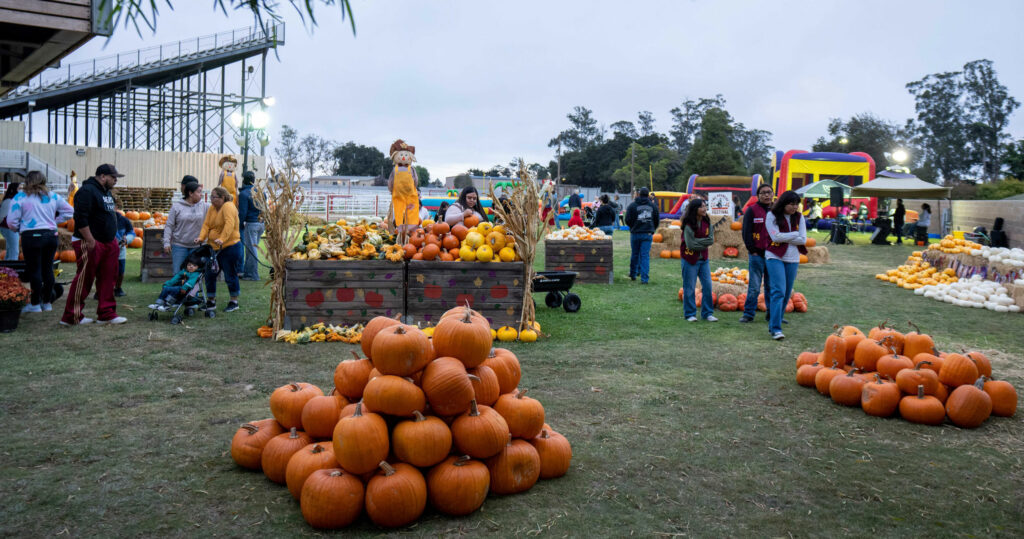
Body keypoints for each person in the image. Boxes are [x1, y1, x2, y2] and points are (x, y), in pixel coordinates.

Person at [61, 164, 126, 326]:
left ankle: (107, 313)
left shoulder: (106, 193)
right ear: (103, 176)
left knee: (108, 278)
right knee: (85, 279)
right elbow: (81, 217)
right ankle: (71, 316)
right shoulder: (87, 191)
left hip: (108, 242)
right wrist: (90, 240)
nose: (116, 180)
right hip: (90, 242)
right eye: (113, 177)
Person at [7, 171, 73, 313]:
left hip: (31, 237)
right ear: (43, 180)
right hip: (51, 235)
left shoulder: (20, 198)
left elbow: (11, 221)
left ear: (27, 181)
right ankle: (47, 302)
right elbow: (69, 211)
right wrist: (55, 221)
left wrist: (19, 229)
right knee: (48, 268)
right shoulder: (53, 196)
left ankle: (35, 304)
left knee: (34, 269)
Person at [765, 190, 807, 341]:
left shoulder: (799, 217)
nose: (794, 207)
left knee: (787, 292)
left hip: (793, 258)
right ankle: (776, 329)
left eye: (797, 204)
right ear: (784, 203)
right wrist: (794, 234)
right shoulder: (772, 216)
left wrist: (787, 237)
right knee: (779, 291)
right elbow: (774, 236)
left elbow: (803, 240)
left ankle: (774, 323)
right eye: (791, 204)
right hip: (774, 256)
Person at [196, 186, 242, 312]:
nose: (211, 199)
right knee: (210, 274)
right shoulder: (212, 208)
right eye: (211, 196)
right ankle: (211, 301)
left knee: (230, 274)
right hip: (214, 248)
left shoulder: (228, 206)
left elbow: (229, 224)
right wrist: (201, 237)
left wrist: (222, 238)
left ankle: (234, 301)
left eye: (214, 197)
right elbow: (206, 225)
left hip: (230, 246)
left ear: (222, 197)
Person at [740, 184, 774, 323]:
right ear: (758, 195)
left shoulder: (776, 210)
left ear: (773, 194)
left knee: (771, 286)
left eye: (769, 192)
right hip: (757, 255)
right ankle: (748, 314)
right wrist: (752, 250)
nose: (766, 195)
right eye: (763, 193)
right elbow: (746, 231)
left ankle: (772, 314)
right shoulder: (752, 210)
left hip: (773, 255)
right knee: (754, 286)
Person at [680, 198, 717, 322]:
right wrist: (704, 243)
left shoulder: (707, 222)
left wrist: (699, 242)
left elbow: (711, 240)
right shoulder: (688, 224)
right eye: (702, 207)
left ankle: (707, 313)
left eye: (705, 206)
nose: (704, 209)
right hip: (689, 258)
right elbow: (690, 245)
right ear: (695, 209)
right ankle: (690, 314)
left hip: (703, 259)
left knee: (707, 286)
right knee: (689, 287)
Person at [164, 178, 208, 272]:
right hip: (179, 245)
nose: (201, 194)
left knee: (195, 274)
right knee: (178, 273)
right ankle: (179, 287)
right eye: (199, 192)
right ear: (190, 193)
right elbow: (169, 225)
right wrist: (166, 242)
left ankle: (193, 288)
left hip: (197, 246)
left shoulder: (205, 206)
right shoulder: (177, 206)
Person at [624, 187, 660, 284]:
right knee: (645, 256)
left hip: (635, 233)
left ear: (639, 194)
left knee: (635, 254)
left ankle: (633, 274)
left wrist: (632, 227)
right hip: (647, 234)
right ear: (648, 195)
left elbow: (627, 219)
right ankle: (644, 279)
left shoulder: (632, 206)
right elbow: (657, 220)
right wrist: (652, 229)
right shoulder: (653, 207)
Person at [237, 171, 263, 281]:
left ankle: (252, 274)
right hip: (261, 223)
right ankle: (248, 273)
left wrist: (239, 224)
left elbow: (242, 212)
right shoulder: (261, 192)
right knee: (252, 248)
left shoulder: (244, 194)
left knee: (251, 250)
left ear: (243, 179)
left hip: (251, 223)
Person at [112, 202, 135, 297]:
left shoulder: (123, 220)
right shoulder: (102, 220)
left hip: (120, 249)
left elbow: (131, 232)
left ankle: (118, 288)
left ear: (116, 207)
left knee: (120, 271)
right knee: (104, 271)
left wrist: (127, 239)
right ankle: (101, 290)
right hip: (107, 249)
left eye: (112, 206)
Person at [0, 182, 20, 261]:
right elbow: (1, 216)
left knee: (10, 250)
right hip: (8, 228)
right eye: (20, 188)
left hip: (10, 228)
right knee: (14, 251)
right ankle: (12, 269)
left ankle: (6, 268)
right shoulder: (8, 201)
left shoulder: (13, 200)